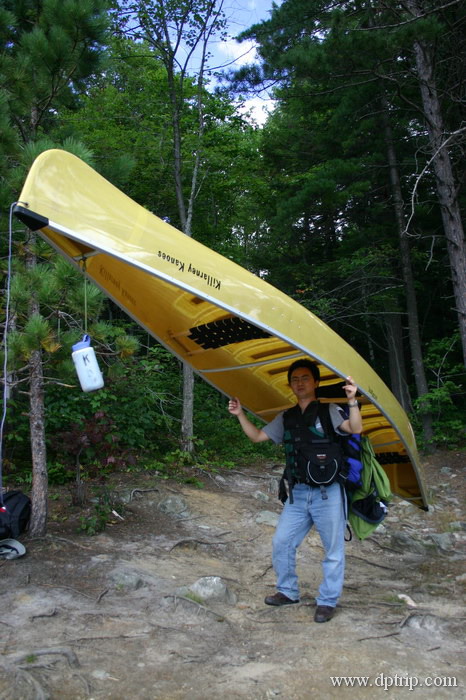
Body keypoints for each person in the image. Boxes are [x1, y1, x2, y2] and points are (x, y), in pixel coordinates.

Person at [228, 358, 362, 623]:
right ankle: (288, 591)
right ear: (290, 385)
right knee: (282, 542)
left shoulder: (330, 411)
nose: (299, 383)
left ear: (316, 382)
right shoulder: (286, 417)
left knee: (333, 549)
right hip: (298, 493)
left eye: (305, 378)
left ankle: (327, 601)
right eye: (295, 380)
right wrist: (240, 414)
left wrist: (352, 401)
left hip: (329, 493)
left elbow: (356, 429)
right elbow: (257, 437)